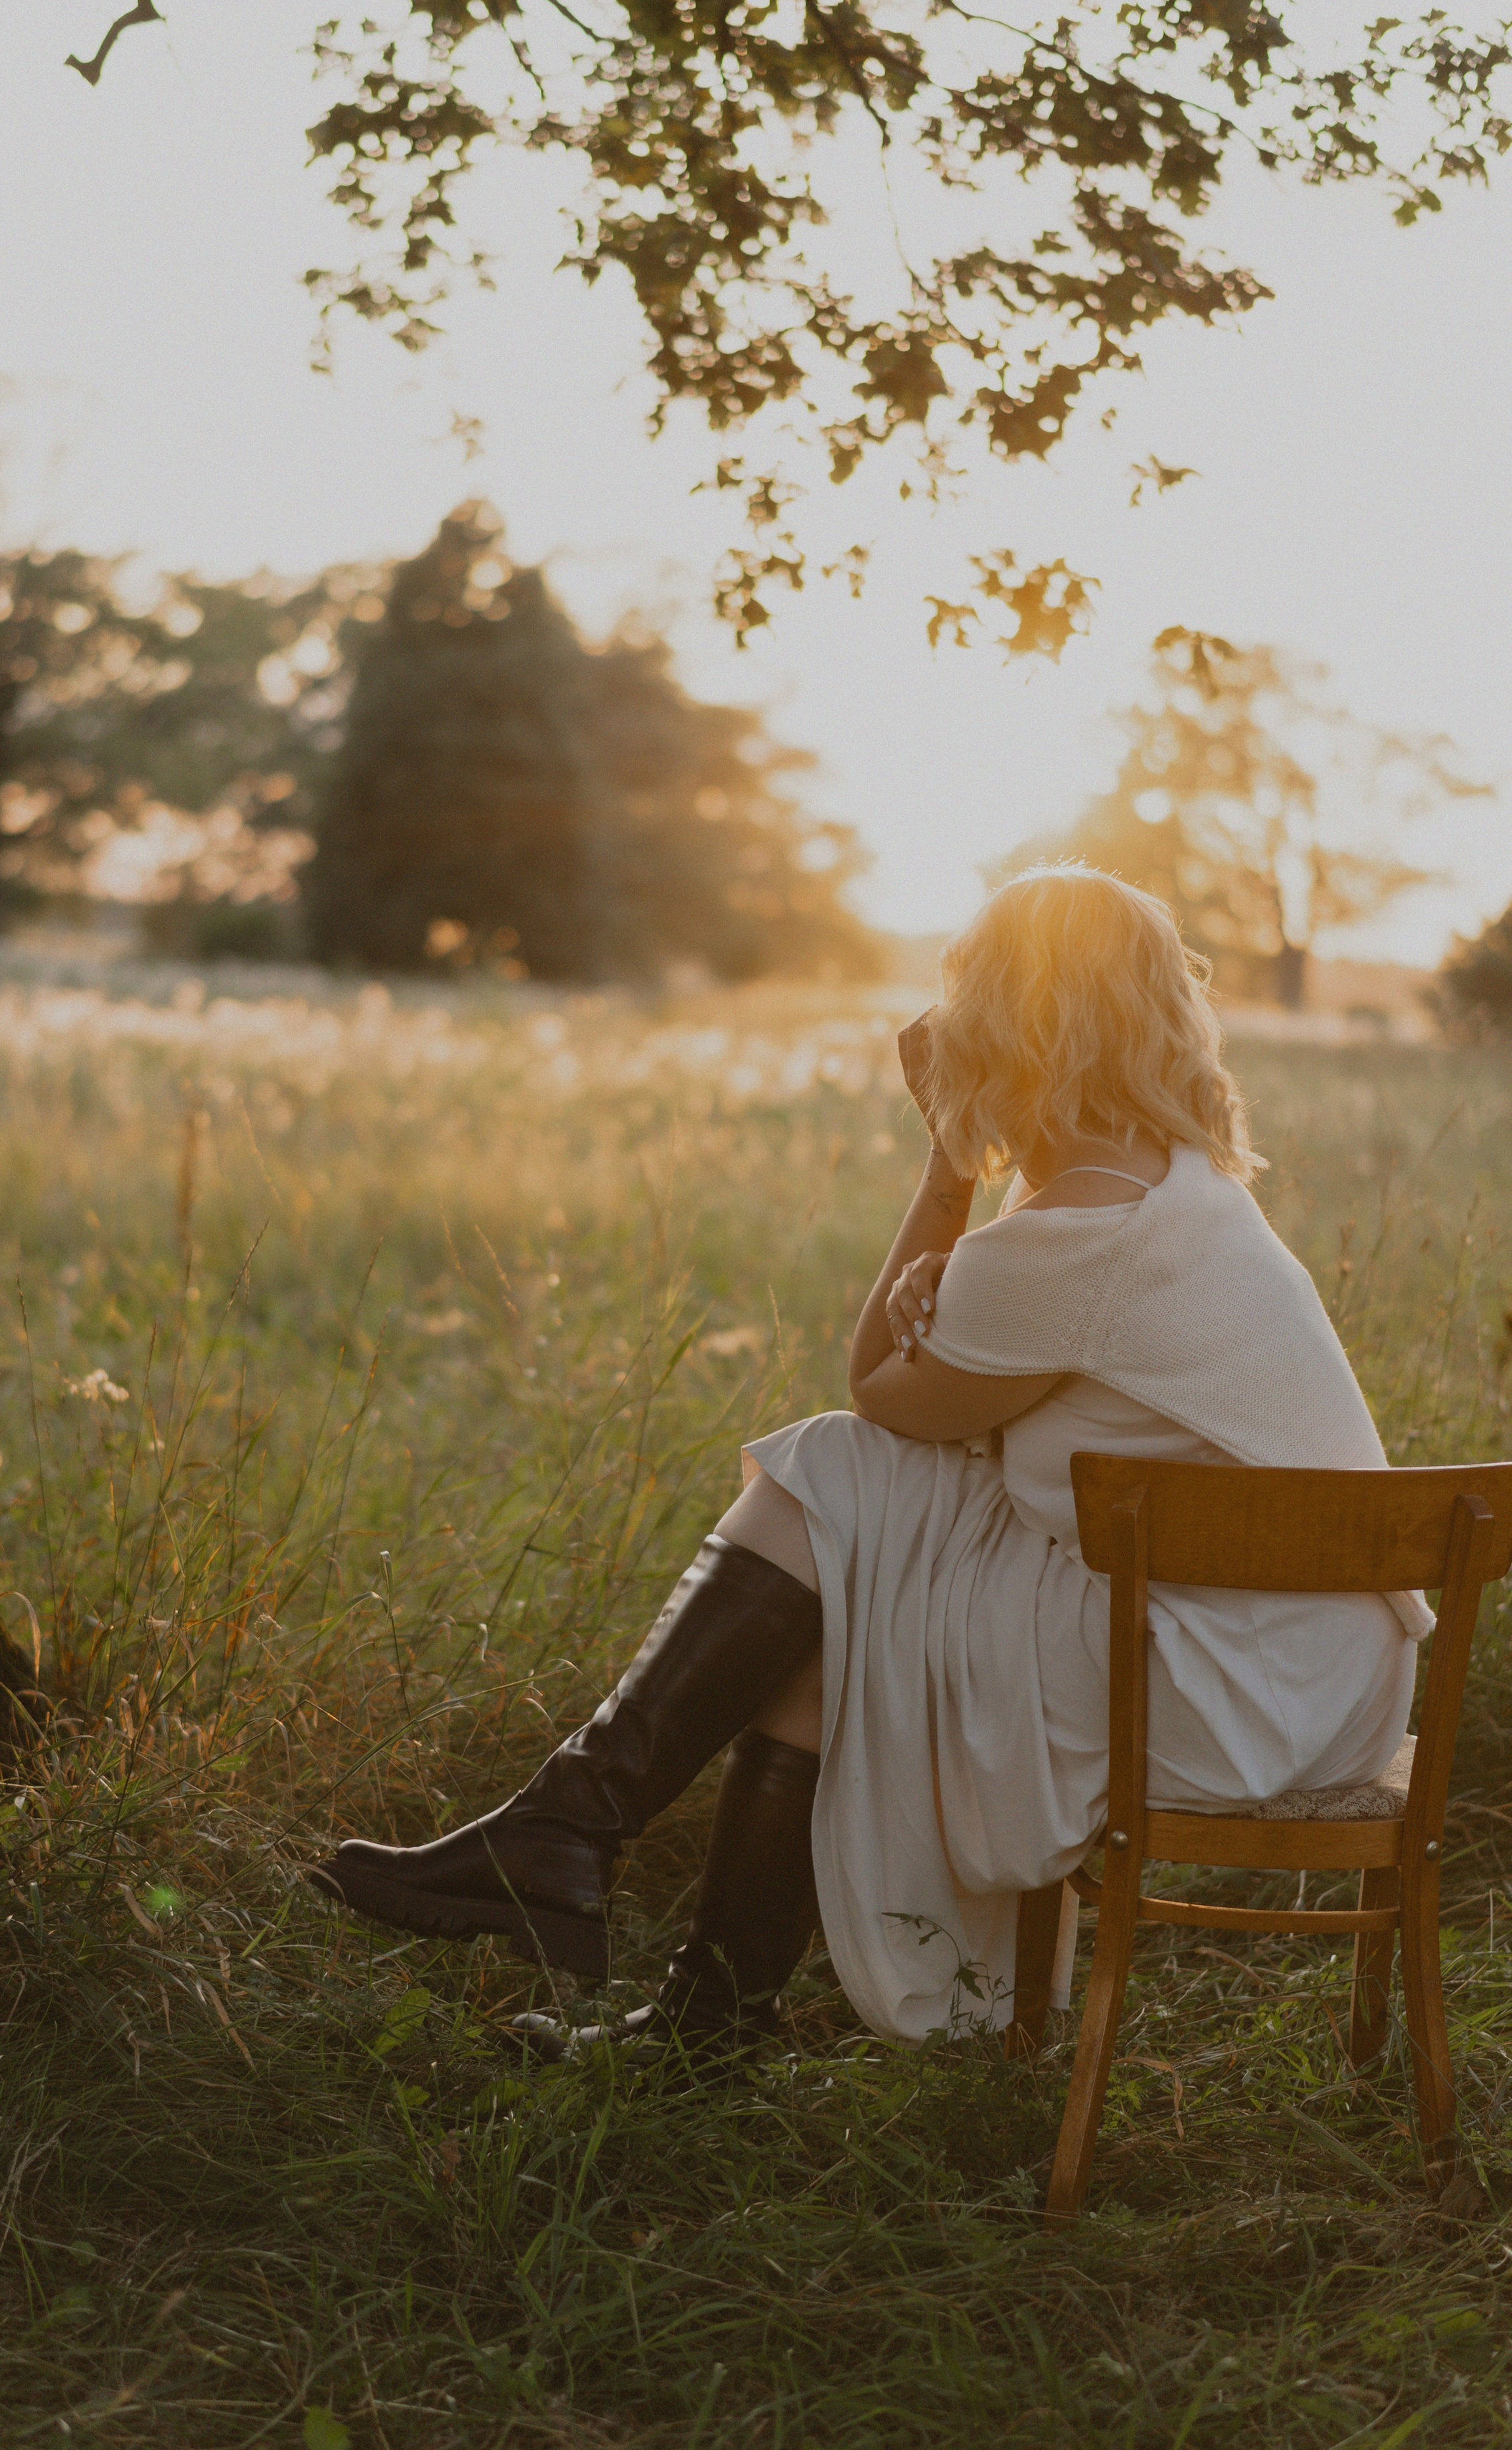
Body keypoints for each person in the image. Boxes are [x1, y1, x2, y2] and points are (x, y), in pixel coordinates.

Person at [311, 869, 1429, 2053]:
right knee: (837, 1557)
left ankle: (582, 1852)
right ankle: (656, 1957)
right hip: (1311, 1671)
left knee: (834, 1469)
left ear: (999, 1025)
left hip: (1213, 1689)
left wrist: (951, 1167)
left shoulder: (1071, 1239)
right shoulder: (1179, 1186)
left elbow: (884, 1396)